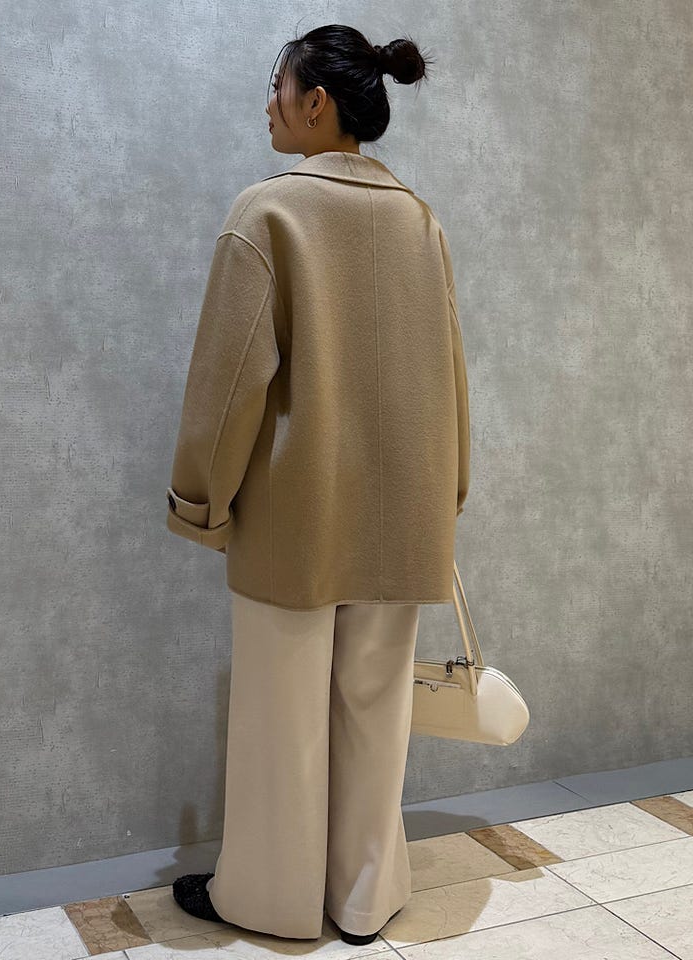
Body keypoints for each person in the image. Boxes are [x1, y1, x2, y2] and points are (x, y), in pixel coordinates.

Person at [166, 23, 471, 946]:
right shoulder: (420, 220)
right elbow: (451, 374)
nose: (268, 103)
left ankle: (270, 901)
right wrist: (450, 490)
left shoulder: (269, 214)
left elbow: (228, 384)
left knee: (281, 719)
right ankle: (365, 899)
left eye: (278, 85)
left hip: (297, 513)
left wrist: (200, 500)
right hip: (405, 512)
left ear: (317, 103)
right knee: (377, 713)